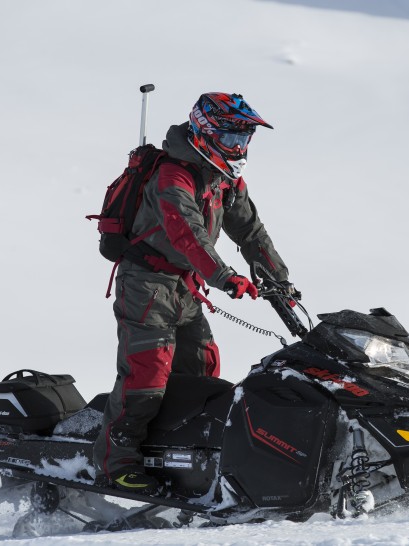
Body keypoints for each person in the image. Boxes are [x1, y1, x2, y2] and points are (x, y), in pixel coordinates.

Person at [93, 92, 296, 494]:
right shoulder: (174, 175)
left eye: (244, 140)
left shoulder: (225, 178)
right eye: (232, 138)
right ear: (205, 132)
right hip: (147, 284)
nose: (239, 148)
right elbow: (187, 234)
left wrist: (280, 281)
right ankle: (115, 464)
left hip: (185, 285)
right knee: (146, 376)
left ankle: (179, 455)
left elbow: (251, 233)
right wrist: (225, 276)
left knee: (201, 369)